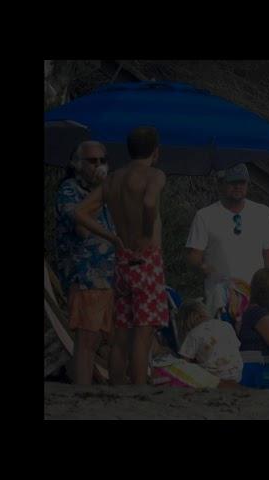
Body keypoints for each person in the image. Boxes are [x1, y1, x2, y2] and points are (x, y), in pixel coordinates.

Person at [75, 126, 168, 386]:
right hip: (146, 260)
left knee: (122, 334)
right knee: (143, 334)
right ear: (156, 152)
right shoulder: (154, 174)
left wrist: (111, 236)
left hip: (122, 261)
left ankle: (116, 391)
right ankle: (138, 391)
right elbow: (149, 203)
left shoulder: (113, 179)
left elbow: (80, 212)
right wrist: (148, 233)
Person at [55, 140, 116, 385]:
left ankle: (85, 384)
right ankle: (81, 389)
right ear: (77, 164)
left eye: (102, 161)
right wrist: (98, 193)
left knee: (97, 339)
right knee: (86, 340)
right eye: (92, 161)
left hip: (107, 276)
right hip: (85, 275)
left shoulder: (103, 193)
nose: (99, 166)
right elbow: (81, 229)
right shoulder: (69, 191)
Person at [185, 163, 269, 315]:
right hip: (221, 301)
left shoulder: (262, 212)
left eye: (242, 182)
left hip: (257, 299)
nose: (238, 186)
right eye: (233, 182)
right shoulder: (204, 216)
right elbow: (193, 257)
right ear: (220, 184)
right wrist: (203, 266)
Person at [175, 299, 243, 384]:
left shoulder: (194, 334)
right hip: (237, 373)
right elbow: (236, 346)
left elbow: (184, 362)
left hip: (214, 376)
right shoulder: (226, 325)